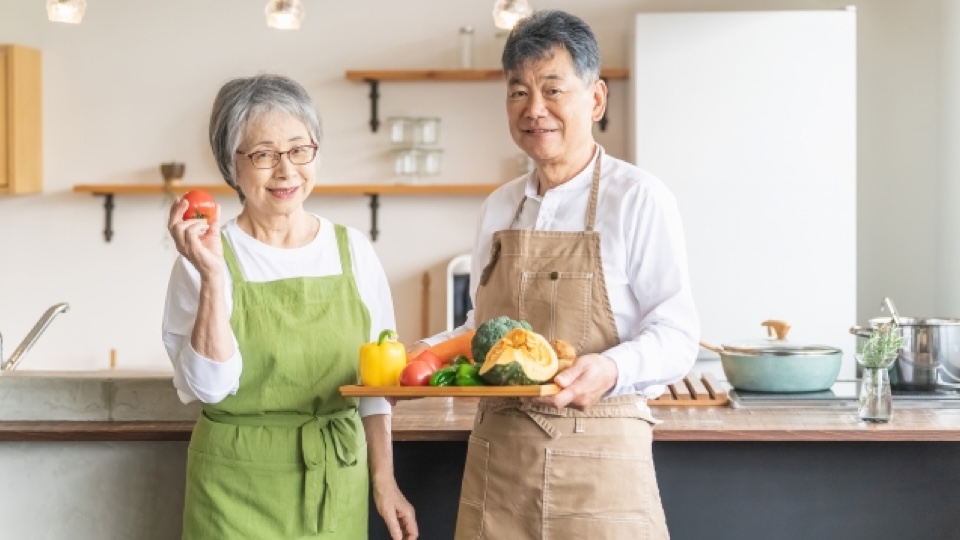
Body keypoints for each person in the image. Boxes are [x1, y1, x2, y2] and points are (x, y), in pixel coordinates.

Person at [408, 10, 699, 540]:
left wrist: (608, 369)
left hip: (601, 467)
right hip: (500, 470)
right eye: (518, 92)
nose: (533, 109)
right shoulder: (498, 208)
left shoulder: (638, 198)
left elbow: (678, 336)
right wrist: (421, 353)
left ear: (595, 99)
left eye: (552, 89)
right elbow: (482, 330)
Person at [161, 74, 418, 540]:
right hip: (232, 490)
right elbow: (211, 388)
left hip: (335, 480)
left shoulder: (353, 250)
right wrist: (215, 277)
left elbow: (376, 385)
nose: (286, 170)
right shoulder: (203, 258)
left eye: (300, 150)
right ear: (230, 164)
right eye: (263, 154)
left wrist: (384, 480)